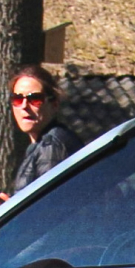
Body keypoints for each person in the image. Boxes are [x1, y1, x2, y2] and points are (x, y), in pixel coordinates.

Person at [9, 65, 80, 195]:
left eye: (35, 99)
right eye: (18, 99)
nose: (24, 106)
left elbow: (51, 206)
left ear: (54, 104)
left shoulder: (52, 145)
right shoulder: (39, 144)